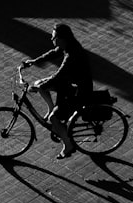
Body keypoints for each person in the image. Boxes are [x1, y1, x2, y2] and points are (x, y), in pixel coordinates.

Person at [22, 23, 93, 159]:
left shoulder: (72, 54)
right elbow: (54, 52)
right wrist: (34, 61)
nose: (51, 39)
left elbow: (59, 75)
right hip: (70, 83)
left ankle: (68, 145)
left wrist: (42, 86)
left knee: (53, 117)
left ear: (62, 38)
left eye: (54, 37)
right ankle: (51, 110)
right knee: (40, 84)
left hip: (78, 91)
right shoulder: (68, 45)